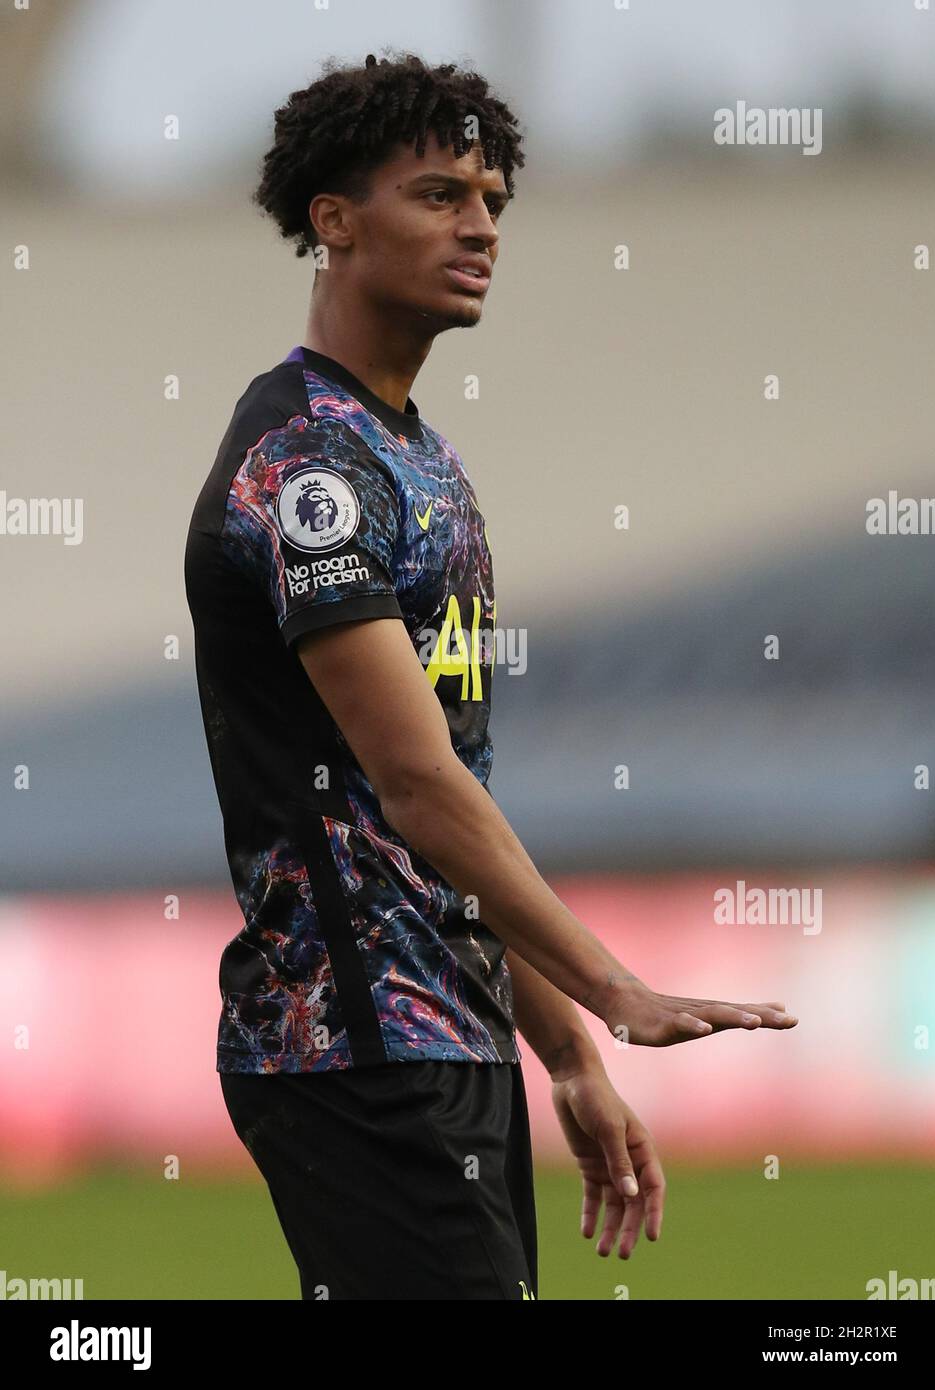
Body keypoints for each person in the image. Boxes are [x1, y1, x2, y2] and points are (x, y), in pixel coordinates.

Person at [184, 51, 798, 1301]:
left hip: (443, 1031)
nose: (480, 227)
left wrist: (564, 1051)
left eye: (493, 201)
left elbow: (449, 803)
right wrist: (610, 986)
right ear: (334, 222)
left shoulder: (421, 461)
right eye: (439, 194)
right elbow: (411, 784)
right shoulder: (307, 471)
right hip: (352, 1041)